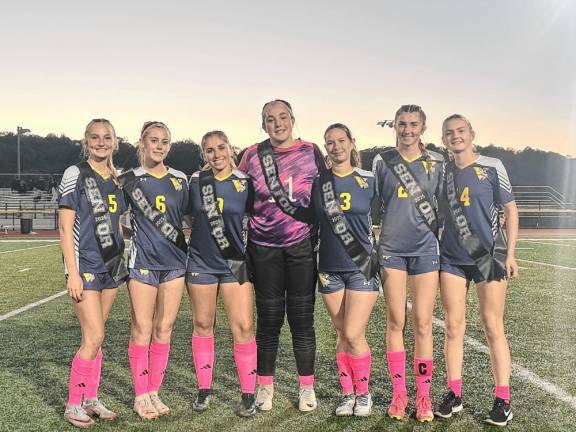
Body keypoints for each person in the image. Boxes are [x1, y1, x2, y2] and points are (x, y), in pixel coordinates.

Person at [238, 99, 324, 412]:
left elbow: (323, 198)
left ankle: (306, 388)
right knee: (269, 321)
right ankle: (265, 386)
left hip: (301, 247)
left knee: (302, 321)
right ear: (263, 124)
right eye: (270, 119)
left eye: (283, 117)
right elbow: (237, 196)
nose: (278, 124)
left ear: (292, 119)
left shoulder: (311, 151)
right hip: (263, 249)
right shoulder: (250, 154)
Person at [435, 114, 518, 427]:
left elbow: (510, 209)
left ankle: (502, 399)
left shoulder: (492, 166)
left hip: (489, 256)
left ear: (471, 133)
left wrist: (510, 254)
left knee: (492, 325)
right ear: (444, 140)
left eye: (460, 131)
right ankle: (454, 394)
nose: (455, 136)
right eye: (449, 133)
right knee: (453, 326)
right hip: (452, 258)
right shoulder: (442, 172)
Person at [372, 105, 444, 422]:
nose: (407, 130)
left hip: (426, 248)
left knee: (423, 324)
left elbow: (449, 205)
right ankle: (400, 395)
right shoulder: (382, 161)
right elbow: (370, 203)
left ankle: (423, 397)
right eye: (402, 124)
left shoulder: (438, 162)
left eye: (414, 124)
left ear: (424, 127)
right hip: (391, 248)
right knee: (395, 321)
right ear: (395, 126)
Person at [59, 118, 128, 428]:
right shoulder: (75, 173)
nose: (101, 142)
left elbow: (118, 224)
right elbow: (65, 226)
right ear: (85, 141)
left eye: (107, 137)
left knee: (96, 338)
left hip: (112, 267)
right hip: (84, 267)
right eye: (95, 137)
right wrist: (71, 273)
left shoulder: (117, 178)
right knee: (94, 335)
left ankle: (91, 399)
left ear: (115, 142)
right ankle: (73, 404)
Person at [119, 121, 188, 420]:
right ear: (142, 144)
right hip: (143, 264)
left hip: (175, 265)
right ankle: (140, 394)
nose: (159, 146)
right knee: (142, 329)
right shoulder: (128, 180)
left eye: (164, 141)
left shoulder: (180, 179)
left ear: (168, 146)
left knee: (164, 329)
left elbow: (191, 218)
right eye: (153, 141)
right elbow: (112, 219)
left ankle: (154, 391)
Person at [186, 131, 257, 417]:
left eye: (221, 148)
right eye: (210, 150)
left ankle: (248, 393)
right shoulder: (195, 182)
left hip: (235, 264)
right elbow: (186, 216)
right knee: (203, 324)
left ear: (230, 149)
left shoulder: (245, 183)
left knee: (242, 327)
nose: (216, 155)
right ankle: (204, 389)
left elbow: (257, 219)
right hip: (201, 263)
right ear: (204, 154)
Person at [313, 123, 379, 417]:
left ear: (352, 143)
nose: (336, 146)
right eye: (330, 142)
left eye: (341, 141)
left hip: (361, 266)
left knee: (354, 332)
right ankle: (347, 393)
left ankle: (364, 393)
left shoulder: (369, 179)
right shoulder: (318, 182)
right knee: (340, 332)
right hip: (328, 266)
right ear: (325, 148)